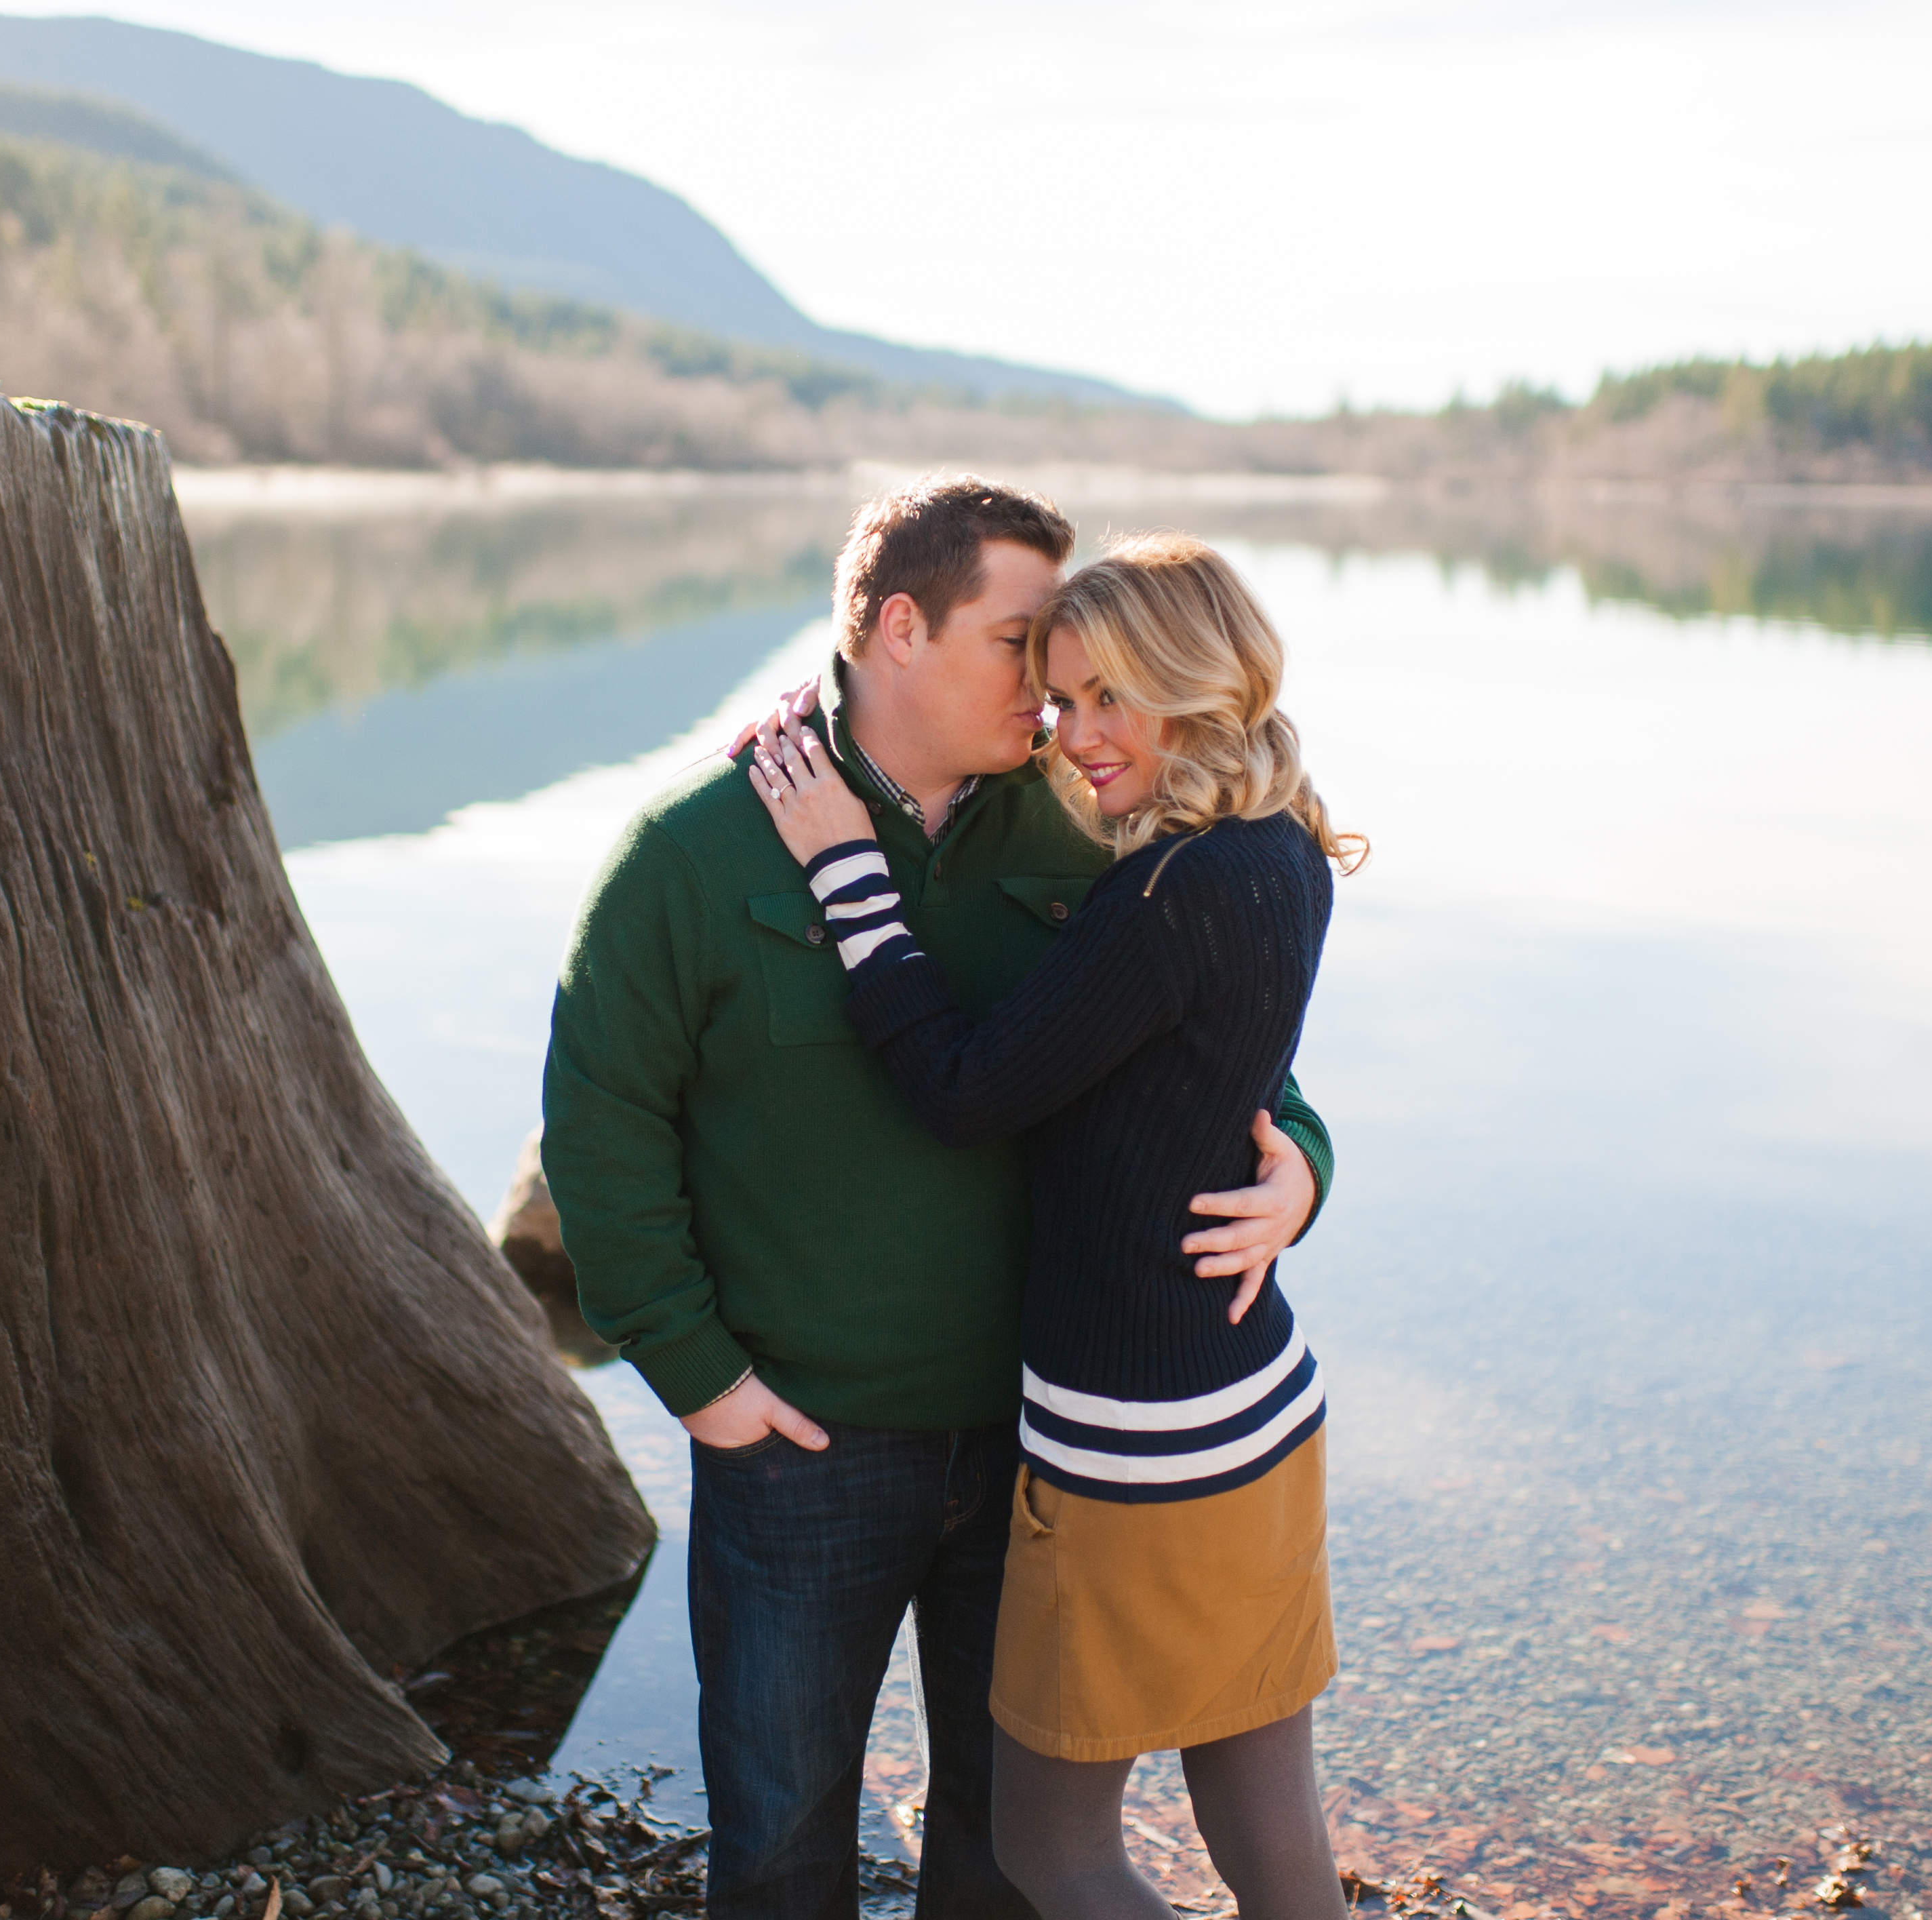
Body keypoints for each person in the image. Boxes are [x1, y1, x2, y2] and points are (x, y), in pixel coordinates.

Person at [542, 477, 1337, 1920]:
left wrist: (1302, 1172)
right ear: (899, 629)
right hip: (805, 1446)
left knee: (999, 1846)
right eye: (1020, 651)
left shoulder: (1076, 831)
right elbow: (600, 1133)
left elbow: (1221, 1042)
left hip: (1042, 1444)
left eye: (1072, 676)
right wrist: (695, 1373)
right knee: (782, 1840)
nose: (1052, 709)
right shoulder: (692, 855)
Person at [743, 532, 1362, 1920]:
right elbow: (1218, 1083)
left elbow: (964, 1093)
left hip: (1137, 1446)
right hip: (1256, 1412)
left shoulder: (1155, 900)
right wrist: (1307, 1169)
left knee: (1050, 1848)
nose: (1069, 737)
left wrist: (850, 866)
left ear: (1197, 687)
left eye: (1105, 700)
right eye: (1060, 697)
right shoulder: (1281, 853)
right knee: (1275, 1848)